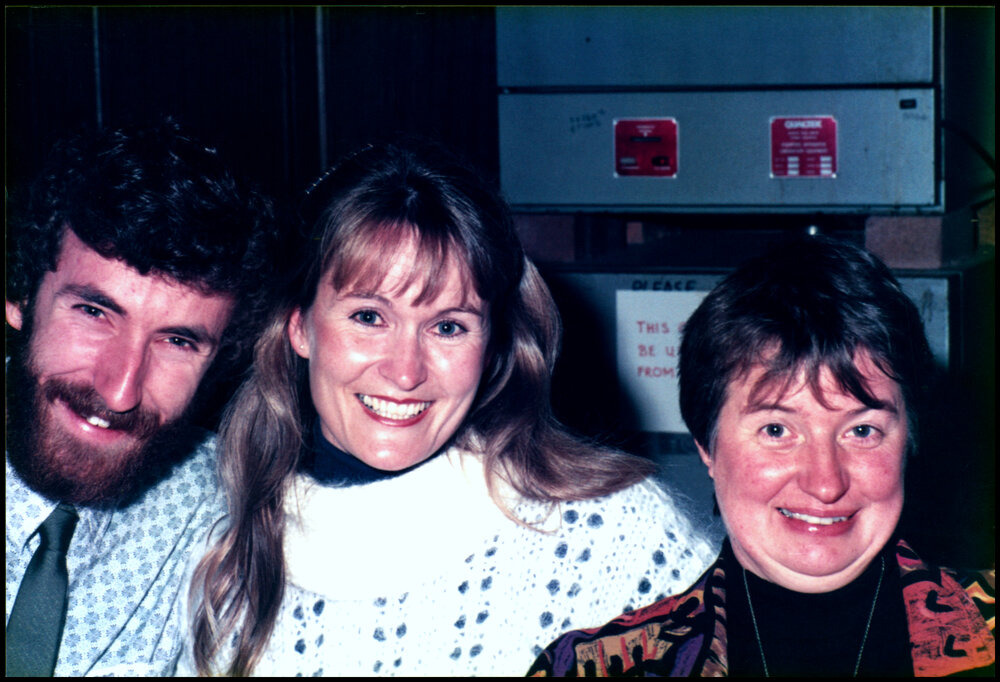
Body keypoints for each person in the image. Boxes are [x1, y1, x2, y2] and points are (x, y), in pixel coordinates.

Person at [182, 141, 715, 676]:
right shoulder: (218, 558)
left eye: (448, 327)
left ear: (493, 347)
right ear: (299, 326)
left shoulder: (611, 538)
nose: (406, 371)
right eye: (369, 317)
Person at [529, 237, 995, 677]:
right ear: (706, 445)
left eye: (861, 430)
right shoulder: (597, 667)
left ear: (909, 439)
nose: (825, 482)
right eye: (776, 430)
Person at [5, 121, 278, 676]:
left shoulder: (224, 515)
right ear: (19, 296)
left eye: (178, 341)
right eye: (94, 312)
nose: (120, 390)